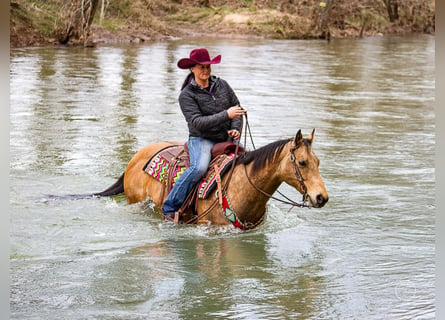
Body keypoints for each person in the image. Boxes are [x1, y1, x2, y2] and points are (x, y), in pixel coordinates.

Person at [161, 47, 246, 221]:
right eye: (201, 67)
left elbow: (236, 108)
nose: (206, 71)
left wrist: (235, 129)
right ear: (192, 69)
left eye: (208, 67)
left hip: (225, 137)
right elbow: (197, 123)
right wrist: (226, 115)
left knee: (249, 162)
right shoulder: (186, 95)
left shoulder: (222, 84)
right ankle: (170, 206)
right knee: (199, 168)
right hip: (201, 139)